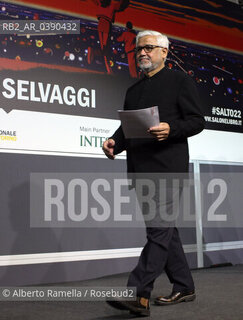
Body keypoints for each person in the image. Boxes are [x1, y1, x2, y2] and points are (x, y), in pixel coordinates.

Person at [102, 30, 205, 317]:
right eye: (139, 49)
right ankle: (184, 286)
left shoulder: (180, 81)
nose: (142, 53)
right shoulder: (133, 91)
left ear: (164, 52)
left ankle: (139, 295)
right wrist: (114, 142)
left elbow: (197, 121)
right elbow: (127, 129)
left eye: (148, 48)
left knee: (159, 231)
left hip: (168, 168)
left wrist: (172, 129)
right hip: (139, 171)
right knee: (163, 232)